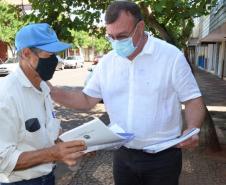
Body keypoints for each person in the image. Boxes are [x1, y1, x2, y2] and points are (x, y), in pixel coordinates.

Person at [50, 1, 206, 185]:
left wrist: (192, 128)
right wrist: (50, 91)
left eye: (122, 36)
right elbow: (86, 100)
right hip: (123, 156)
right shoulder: (107, 62)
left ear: (140, 27)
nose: (116, 43)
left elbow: (193, 99)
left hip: (163, 158)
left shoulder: (171, 57)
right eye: (111, 37)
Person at [0, 23, 86, 185]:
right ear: (26, 53)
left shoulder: (43, 87)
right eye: (49, 54)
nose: (55, 60)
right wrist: (52, 154)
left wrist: (68, 147)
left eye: (56, 54)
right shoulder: (6, 95)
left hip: (48, 178)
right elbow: (2, 160)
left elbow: (47, 137)